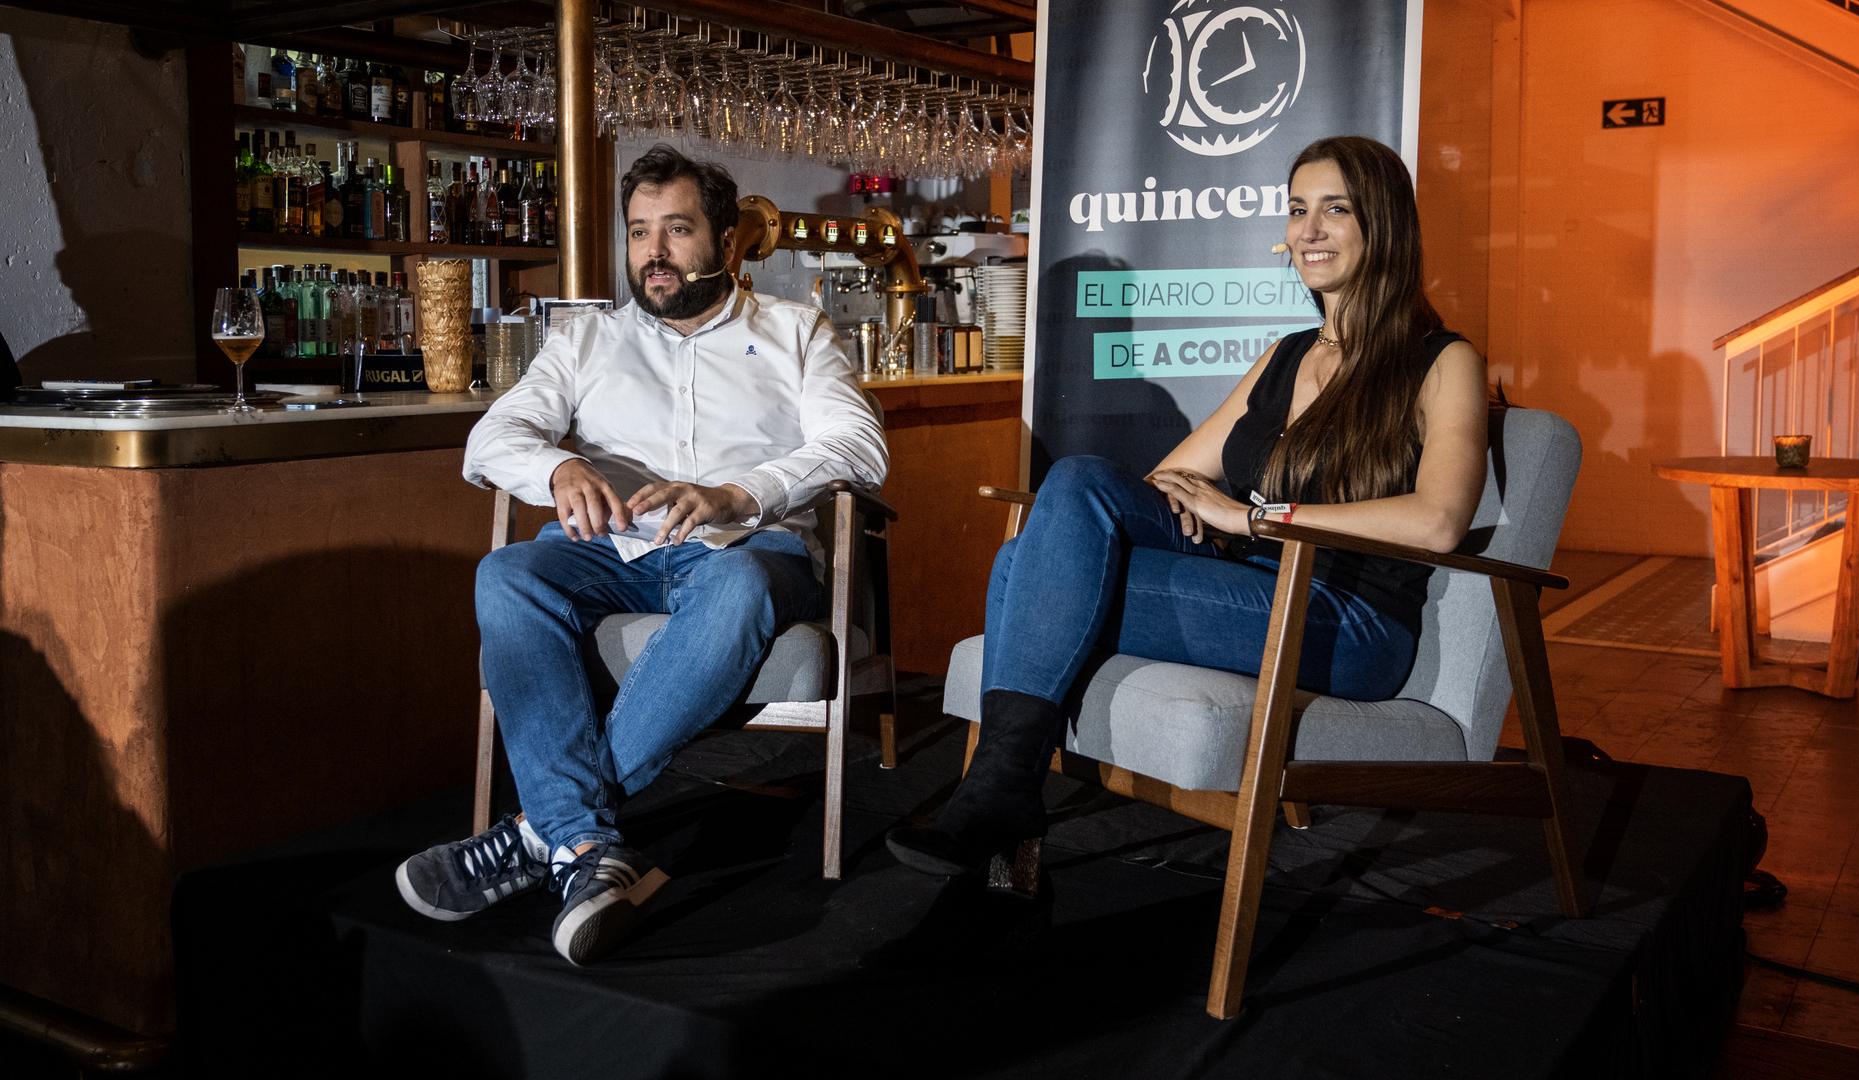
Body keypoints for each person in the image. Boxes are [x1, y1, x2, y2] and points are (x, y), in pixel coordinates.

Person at [888, 135, 1489, 877]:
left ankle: (999, 792)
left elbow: (1438, 520)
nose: (1308, 230)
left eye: (1335, 210)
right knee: (1075, 481)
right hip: (1252, 586)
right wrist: (1206, 510)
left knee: (1024, 566)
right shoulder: (1286, 356)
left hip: (1346, 616)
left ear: (1385, 225)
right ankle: (1003, 790)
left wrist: (1253, 517)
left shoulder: (1443, 360)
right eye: (1298, 209)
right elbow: (1172, 476)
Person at [396, 145, 888, 964]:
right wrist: (560, 465)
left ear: (727, 244)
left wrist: (742, 493)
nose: (653, 253)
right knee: (507, 572)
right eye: (638, 233)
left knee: (735, 583)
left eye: (678, 230)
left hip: (741, 547)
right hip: (610, 550)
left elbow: (860, 447)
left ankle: (540, 835)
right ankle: (585, 847)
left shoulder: (797, 329)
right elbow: (490, 439)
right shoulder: (588, 340)